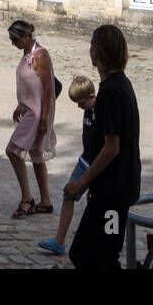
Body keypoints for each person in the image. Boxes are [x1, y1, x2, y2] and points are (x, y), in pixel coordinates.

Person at [65, 25, 140, 269]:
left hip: (114, 192)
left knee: (84, 254)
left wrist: (82, 181)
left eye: (92, 45)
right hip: (115, 188)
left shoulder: (109, 92)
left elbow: (111, 148)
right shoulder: (122, 84)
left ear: (98, 53)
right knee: (106, 255)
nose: (90, 50)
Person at [37, 75, 96, 255]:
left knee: (96, 203)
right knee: (68, 193)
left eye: (81, 103)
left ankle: (99, 241)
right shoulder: (89, 108)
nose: (79, 107)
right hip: (84, 160)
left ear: (92, 96)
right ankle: (59, 241)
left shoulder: (103, 110)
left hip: (96, 165)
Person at [5, 19, 56, 217]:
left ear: (27, 36)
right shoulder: (26, 53)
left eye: (16, 39)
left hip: (38, 113)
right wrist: (20, 104)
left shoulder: (40, 54)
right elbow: (30, 84)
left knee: (13, 150)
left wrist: (44, 119)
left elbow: (47, 88)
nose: (13, 43)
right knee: (36, 154)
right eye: (11, 39)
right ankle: (46, 201)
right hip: (29, 110)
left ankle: (27, 198)